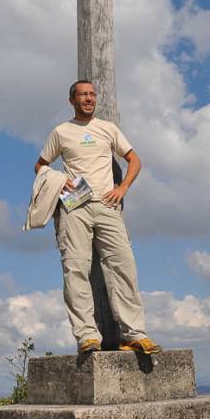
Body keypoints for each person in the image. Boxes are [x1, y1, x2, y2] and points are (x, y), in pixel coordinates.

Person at [34, 80, 161, 355]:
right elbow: (40, 165)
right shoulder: (61, 132)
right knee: (76, 267)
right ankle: (87, 336)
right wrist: (59, 180)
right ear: (72, 100)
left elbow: (134, 159)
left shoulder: (108, 128)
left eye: (92, 95)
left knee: (124, 265)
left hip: (107, 203)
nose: (89, 99)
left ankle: (134, 334)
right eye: (83, 95)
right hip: (74, 205)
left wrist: (122, 188)